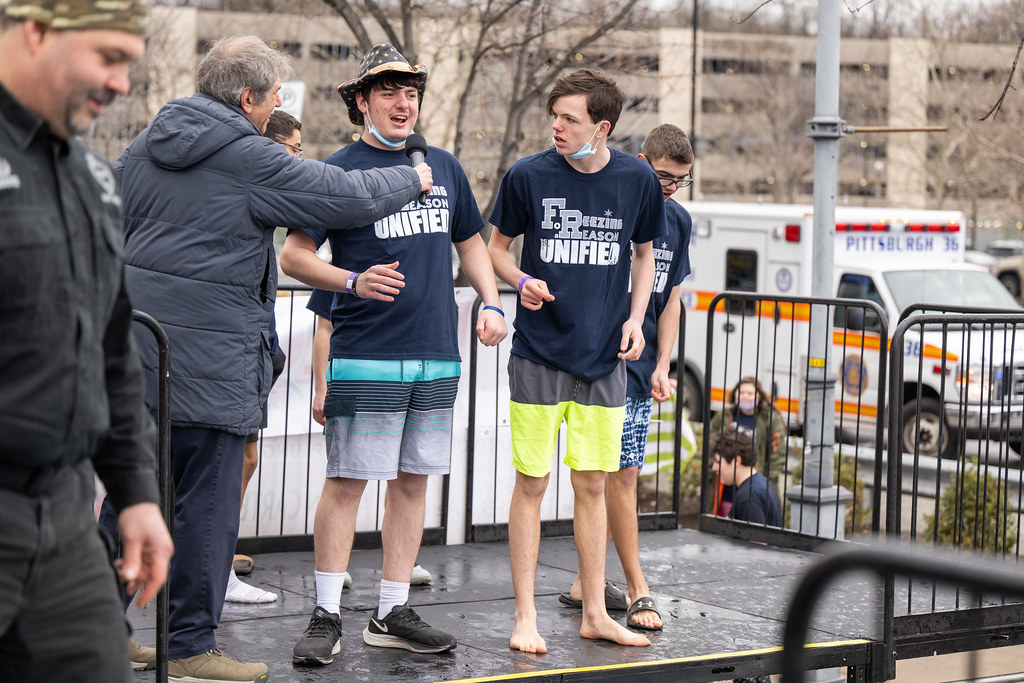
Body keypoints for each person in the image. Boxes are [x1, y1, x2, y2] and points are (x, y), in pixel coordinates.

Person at [116, 36, 431, 682]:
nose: (279, 105)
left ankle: (91, 627)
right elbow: (340, 196)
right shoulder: (248, 156)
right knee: (206, 506)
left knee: (126, 496)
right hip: (211, 362)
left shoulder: (143, 147)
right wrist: (416, 177)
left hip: (138, 356)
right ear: (246, 98)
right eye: (276, 95)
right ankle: (189, 644)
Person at [283, 43, 506, 665]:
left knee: (412, 484)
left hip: (437, 353)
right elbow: (294, 256)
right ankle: (326, 612)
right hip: (366, 353)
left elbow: (472, 244)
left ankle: (389, 612)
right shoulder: (339, 171)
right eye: (388, 92)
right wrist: (351, 281)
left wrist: (491, 302)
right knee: (348, 482)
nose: (403, 102)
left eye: (410, 92)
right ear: (361, 102)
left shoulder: (445, 166)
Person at [0, 1, 174, 680]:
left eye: (130, 64)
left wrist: (136, 494)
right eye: (108, 58)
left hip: (66, 523)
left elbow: (111, 359)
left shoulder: (96, 180)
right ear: (36, 32)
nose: (122, 85)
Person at [486, 68, 664, 653]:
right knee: (532, 484)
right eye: (554, 116)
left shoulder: (637, 180)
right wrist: (519, 280)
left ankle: (595, 612)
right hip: (539, 352)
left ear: (602, 126)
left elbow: (644, 254)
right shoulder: (527, 175)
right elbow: (494, 251)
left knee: (591, 483)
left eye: (570, 118)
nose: (556, 127)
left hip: (605, 359)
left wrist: (638, 319)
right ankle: (525, 618)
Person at [559, 123, 694, 632]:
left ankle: (583, 582)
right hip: (602, 364)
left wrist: (663, 365)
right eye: (663, 176)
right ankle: (638, 590)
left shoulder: (678, 222)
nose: (670, 188)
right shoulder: (615, 205)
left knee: (621, 475)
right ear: (640, 160)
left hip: (641, 369)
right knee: (613, 478)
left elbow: (673, 300)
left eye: (681, 180)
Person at [224, 110, 303, 604]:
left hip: (253, 345)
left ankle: (216, 555)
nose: (299, 158)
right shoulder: (251, 182)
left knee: (244, 457)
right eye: (294, 149)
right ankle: (211, 564)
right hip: (234, 347)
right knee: (227, 460)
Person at [708, 376, 787, 515]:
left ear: (759, 396)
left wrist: (765, 480)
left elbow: (778, 454)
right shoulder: (724, 416)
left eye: (750, 393)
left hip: (754, 487)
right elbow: (710, 445)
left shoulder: (769, 419)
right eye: (741, 392)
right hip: (725, 489)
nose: (745, 396)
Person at [708, 424, 783, 526]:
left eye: (718, 462)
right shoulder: (762, 483)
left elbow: (756, 541)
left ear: (737, 461)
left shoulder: (748, 497)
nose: (714, 468)